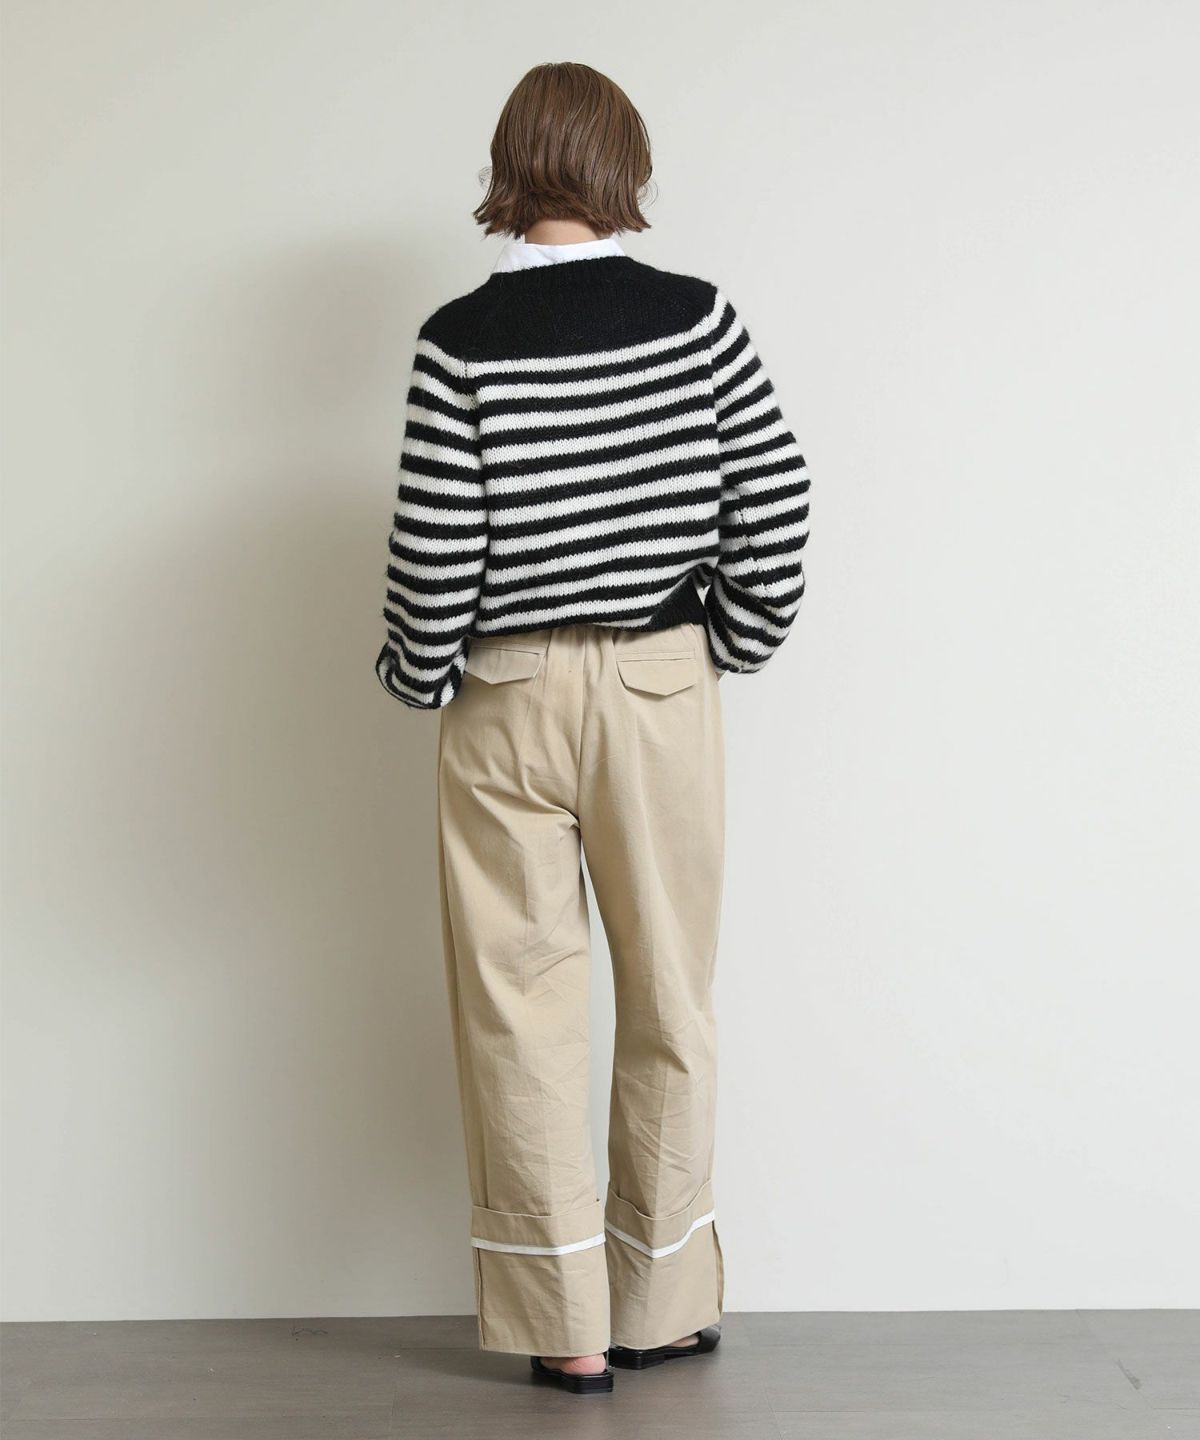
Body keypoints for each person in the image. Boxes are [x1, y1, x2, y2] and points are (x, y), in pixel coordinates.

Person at [376, 61, 810, 1396]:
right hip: (659, 688)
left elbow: (435, 551)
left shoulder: (460, 341)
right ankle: (660, 1300)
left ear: (509, 167)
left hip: (507, 692)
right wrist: (725, 643)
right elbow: (775, 501)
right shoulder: (695, 319)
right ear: (627, 164)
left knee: (521, 1011)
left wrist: (418, 677)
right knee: (671, 995)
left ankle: (561, 1322)